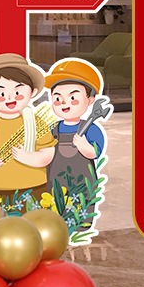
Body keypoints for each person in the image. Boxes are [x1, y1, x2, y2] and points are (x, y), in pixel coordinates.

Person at [0, 53, 56, 205]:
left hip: (33, 187)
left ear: (32, 93)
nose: (10, 97)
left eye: (18, 92)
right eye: (1, 93)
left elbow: (48, 153)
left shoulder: (37, 123)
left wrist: (29, 158)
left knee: (32, 219)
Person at [43, 59, 109, 194]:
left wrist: (85, 147)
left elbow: (95, 153)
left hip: (83, 189)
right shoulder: (52, 129)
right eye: (57, 98)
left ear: (90, 100)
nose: (64, 103)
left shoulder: (91, 129)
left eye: (72, 97)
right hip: (54, 187)